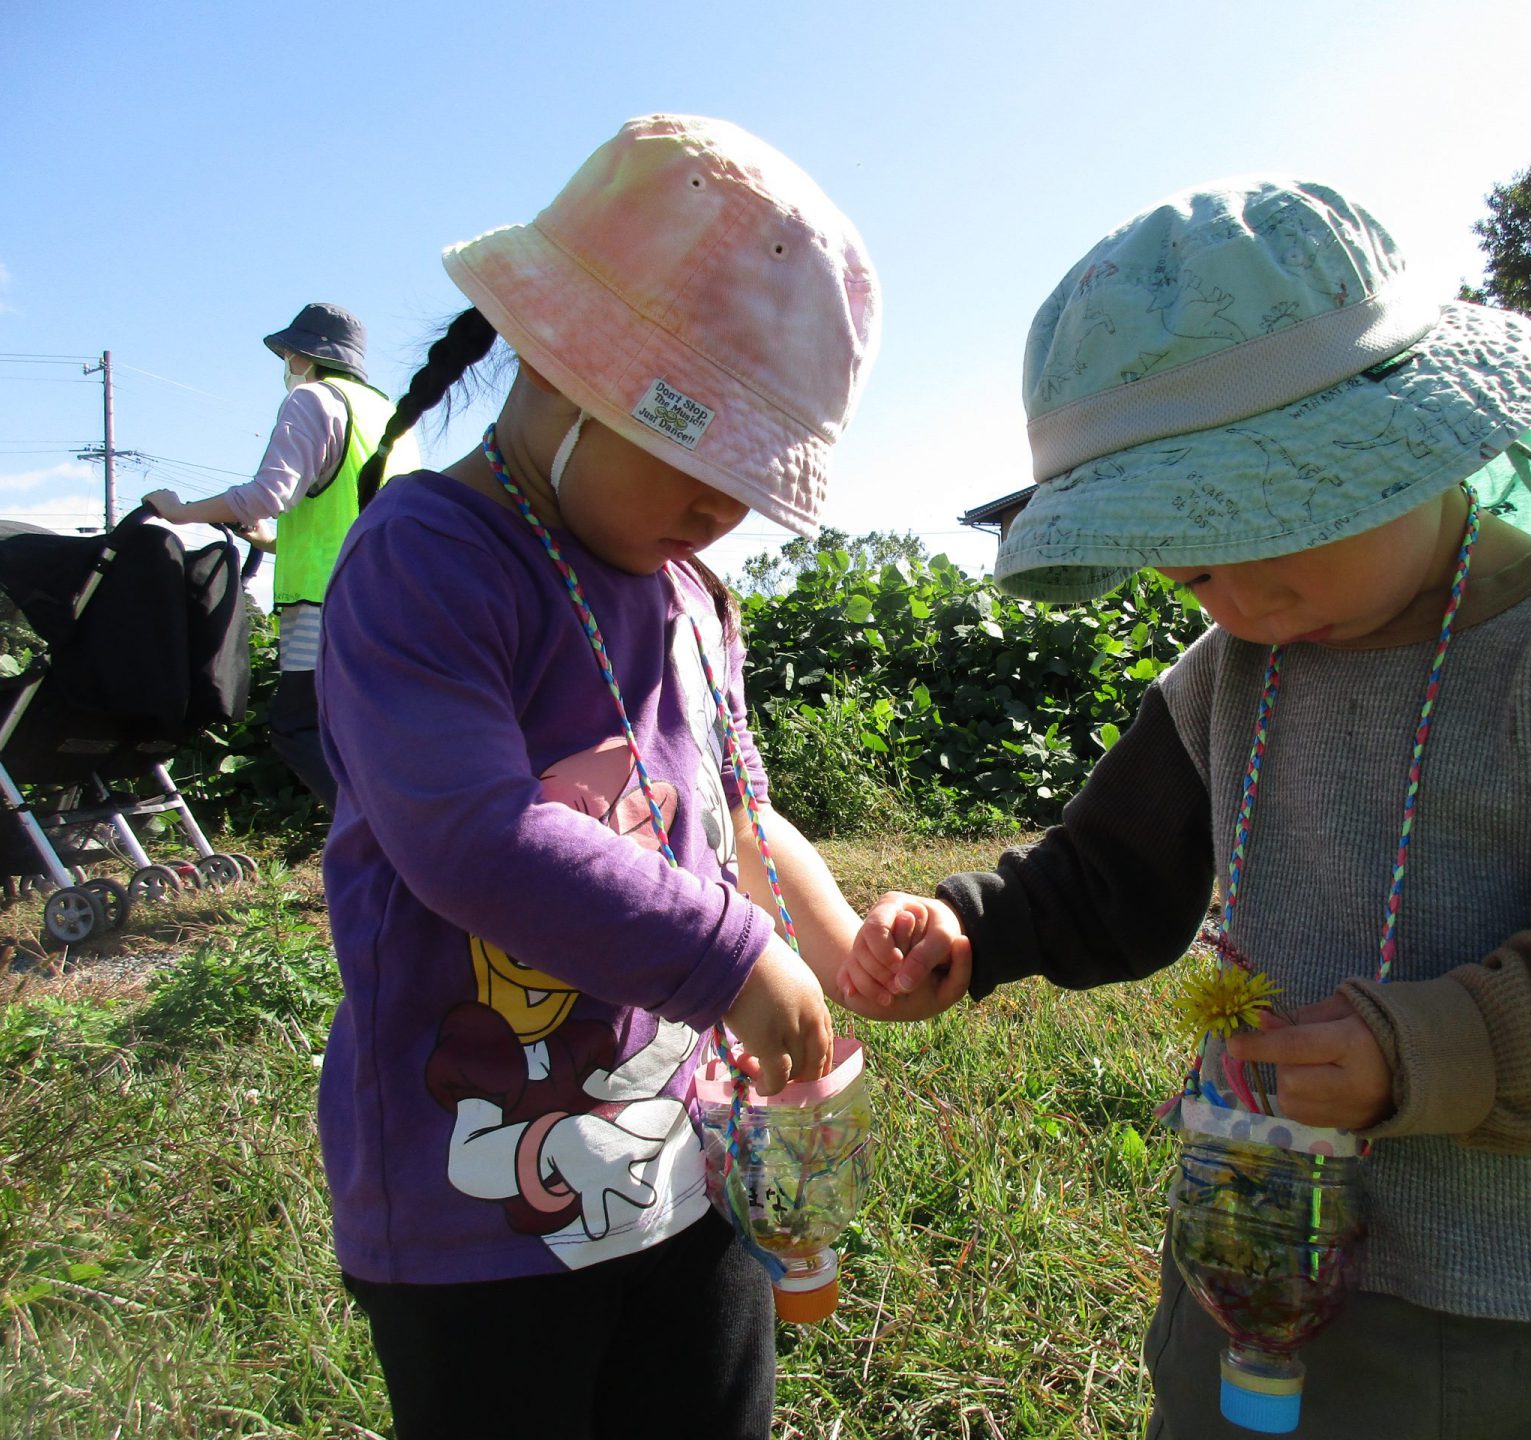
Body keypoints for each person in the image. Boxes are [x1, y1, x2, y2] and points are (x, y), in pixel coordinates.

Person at [842, 178, 1531, 1438]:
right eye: (1192, 573)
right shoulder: (1231, 674)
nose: (1240, 605)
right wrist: (974, 926)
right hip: (1270, 1245)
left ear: (1410, 450)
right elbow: (1111, 873)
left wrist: (1430, 1050)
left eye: (1271, 538)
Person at [313, 115, 956, 1440]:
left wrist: (832, 940)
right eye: (702, 457)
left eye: (751, 476)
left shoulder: (693, 597)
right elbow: (471, 838)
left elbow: (743, 813)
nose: (727, 507)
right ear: (563, 367)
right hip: (479, 1214)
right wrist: (732, 956)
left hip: (691, 1163)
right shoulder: (430, 559)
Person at [143, 302, 420, 807]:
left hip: (326, 603)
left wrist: (181, 512)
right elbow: (353, 515)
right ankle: (408, 832)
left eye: (289, 355)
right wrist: (270, 540)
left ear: (303, 356)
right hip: (392, 600)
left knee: (299, 728)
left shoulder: (313, 398)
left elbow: (269, 494)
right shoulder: (390, 416)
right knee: (369, 736)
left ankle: (384, 837)